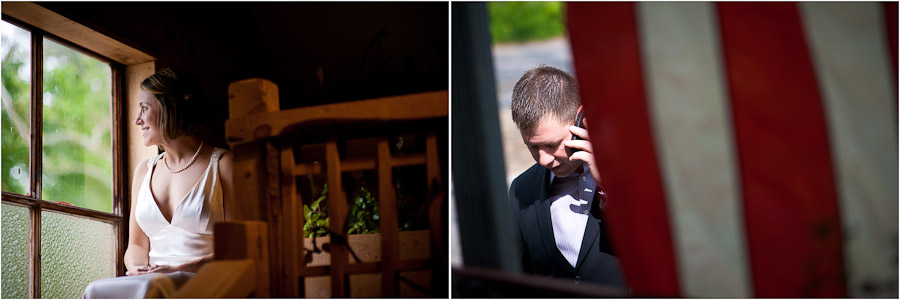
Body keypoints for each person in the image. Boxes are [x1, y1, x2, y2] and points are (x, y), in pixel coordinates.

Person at [82, 68, 234, 298]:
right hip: (152, 280)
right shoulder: (144, 171)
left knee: (151, 289)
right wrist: (138, 269)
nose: (137, 120)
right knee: (96, 290)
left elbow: (237, 248)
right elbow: (137, 246)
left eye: (144, 109)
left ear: (169, 109)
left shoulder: (222, 165)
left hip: (208, 281)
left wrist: (177, 269)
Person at [508, 65, 625, 288]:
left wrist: (610, 186)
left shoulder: (627, 175)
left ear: (581, 119)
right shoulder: (521, 190)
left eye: (552, 145)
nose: (543, 160)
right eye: (532, 147)